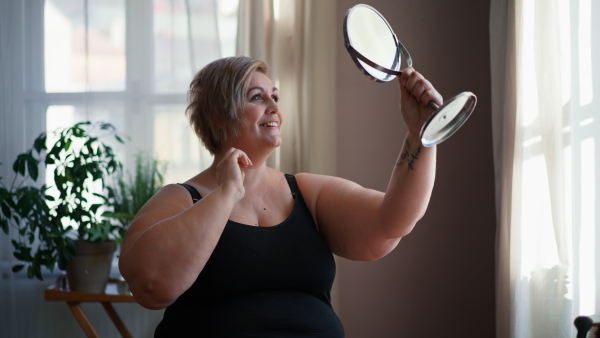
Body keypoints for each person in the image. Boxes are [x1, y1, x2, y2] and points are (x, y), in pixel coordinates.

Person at [118, 56, 442, 337]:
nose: (275, 106)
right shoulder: (180, 199)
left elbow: (393, 220)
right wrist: (228, 192)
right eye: (257, 97)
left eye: (275, 96)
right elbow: (151, 285)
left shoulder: (308, 192)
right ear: (219, 116)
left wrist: (420, 134)